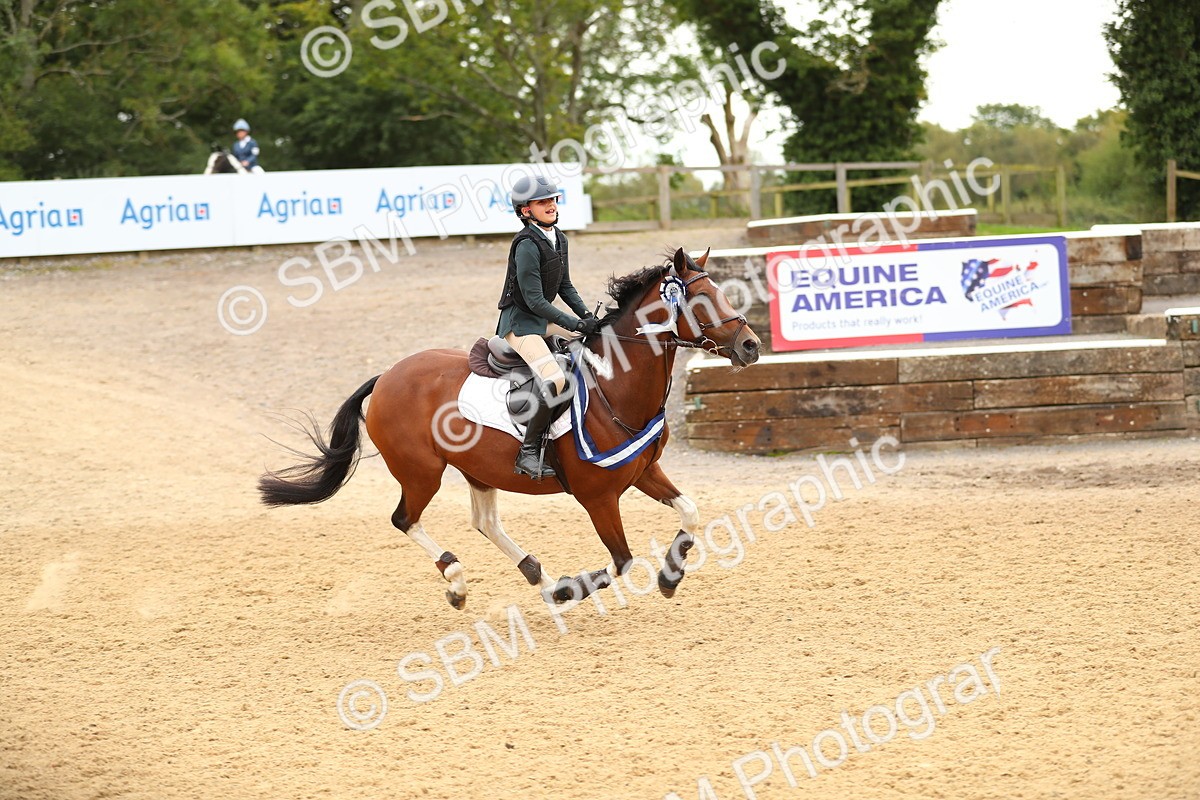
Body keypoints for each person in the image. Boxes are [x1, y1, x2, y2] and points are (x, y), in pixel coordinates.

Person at [496, 175, 600, 480]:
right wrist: (574, 323)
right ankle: (527, 453)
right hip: (520, 325)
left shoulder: (559, 238)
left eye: (553, 200)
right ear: (525, 211)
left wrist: (587, 315)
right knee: (555, 379)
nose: (551, 206)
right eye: (543, 202)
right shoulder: (526, 245)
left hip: (540, 322)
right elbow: (535, 300)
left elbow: (565, 285)